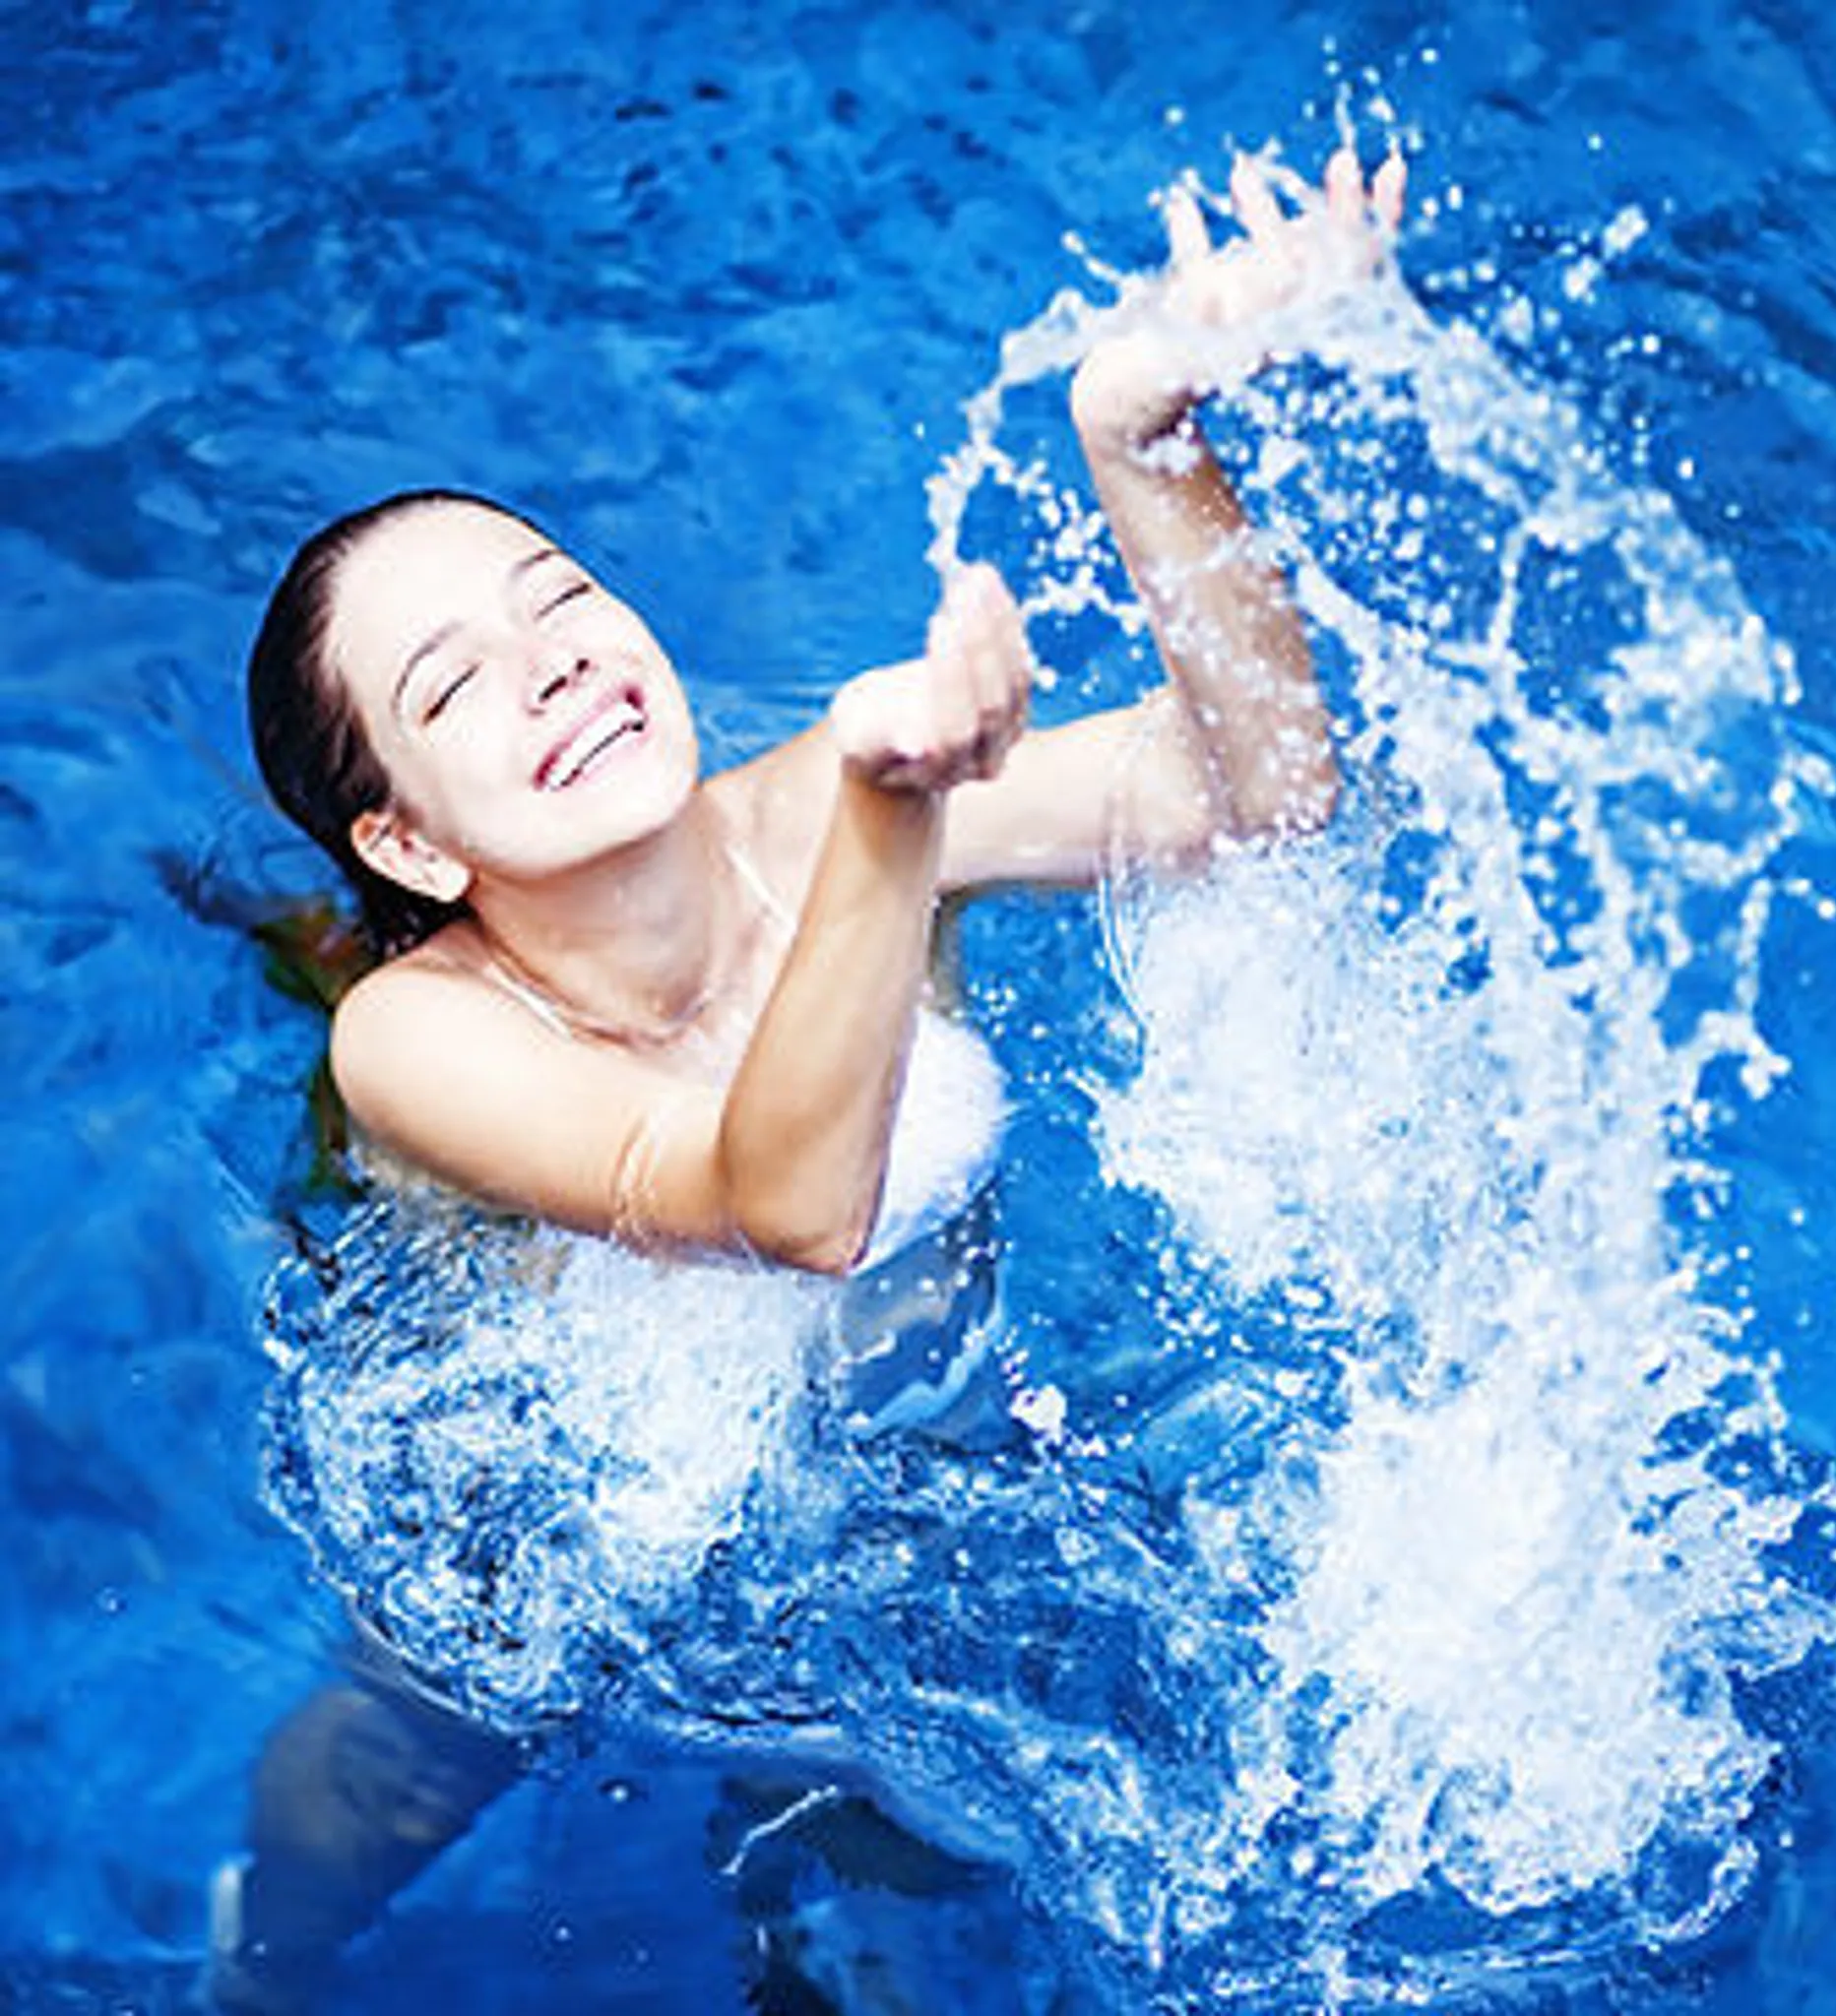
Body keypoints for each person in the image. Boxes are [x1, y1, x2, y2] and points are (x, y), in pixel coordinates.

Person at [212, 141, 1407, 2013]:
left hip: (901, 1460)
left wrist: (1141, 436)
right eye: (455, 687)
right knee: (407, 1771)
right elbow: (781, 1205)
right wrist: (893, 811)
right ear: (416, 846)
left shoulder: (827, 810)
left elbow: (1260, 790)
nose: (555, 665)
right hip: (561, 1514)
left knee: (893, 1836)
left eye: (559, 595)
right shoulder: (418, 1036)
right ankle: (240, 1967)